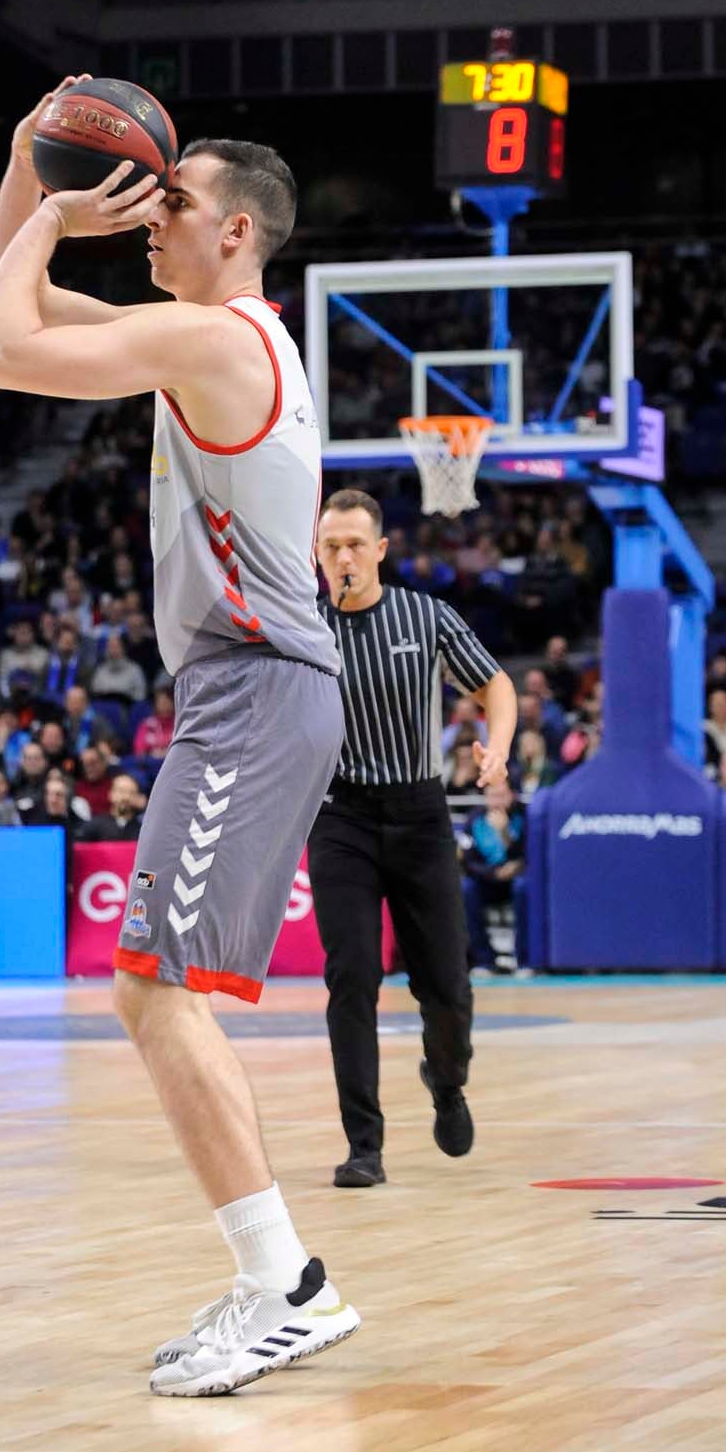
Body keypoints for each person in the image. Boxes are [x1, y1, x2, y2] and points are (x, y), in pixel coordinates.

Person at [0, 76, 359, 1398]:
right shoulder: (213, 335)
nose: (148, 217)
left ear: (237, 229)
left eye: (172, 202)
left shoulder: (220, 343)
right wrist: (28, 165)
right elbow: (15, 310)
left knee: (146, 988)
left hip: (256, 683)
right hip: (246, 688)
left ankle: (284, 1286)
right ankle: (281, 1279)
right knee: (160, 990)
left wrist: (57, 206)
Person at [308, 489, 518, 1188]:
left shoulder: (423, 615)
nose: (342, 557)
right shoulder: (302, 627)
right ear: (317, 551)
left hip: (420, 815)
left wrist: (497, 746)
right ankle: (363, 1144)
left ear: (380, 550)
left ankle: (447, 1079)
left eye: (354, 545)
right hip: (340, 817)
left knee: (447, 987)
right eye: (330, 545)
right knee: (351, 978)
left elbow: (496, 685)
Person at [461, 782, 529, 976]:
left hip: (516, 879)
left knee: (523, 887)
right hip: (488, 880)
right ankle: (483, 960)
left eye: (502, 795)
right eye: (492, 796)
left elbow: (528, 853)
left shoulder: (524, 816)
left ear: (512, 795)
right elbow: (468, 861)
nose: (497, 801)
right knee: (466, 888)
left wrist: (505, 832)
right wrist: (493, 873)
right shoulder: (475, 819)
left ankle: (523, 960)